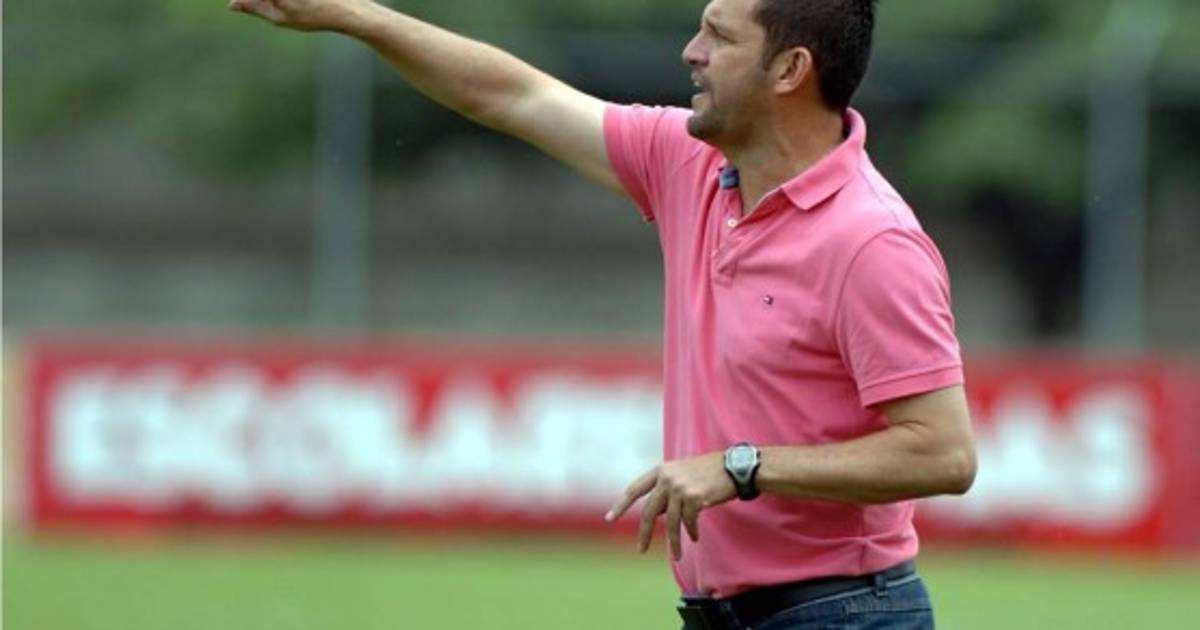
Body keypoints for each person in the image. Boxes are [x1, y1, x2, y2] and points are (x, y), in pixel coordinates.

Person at [232, 0, 977, 627]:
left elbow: (944, 454)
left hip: (840, 614)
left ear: (790, 70)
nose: (691, 52)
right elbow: (511, 95)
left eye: (719, 37)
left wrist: (743, 467)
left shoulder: (871, 241)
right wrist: (356, 16)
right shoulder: (690, 164)